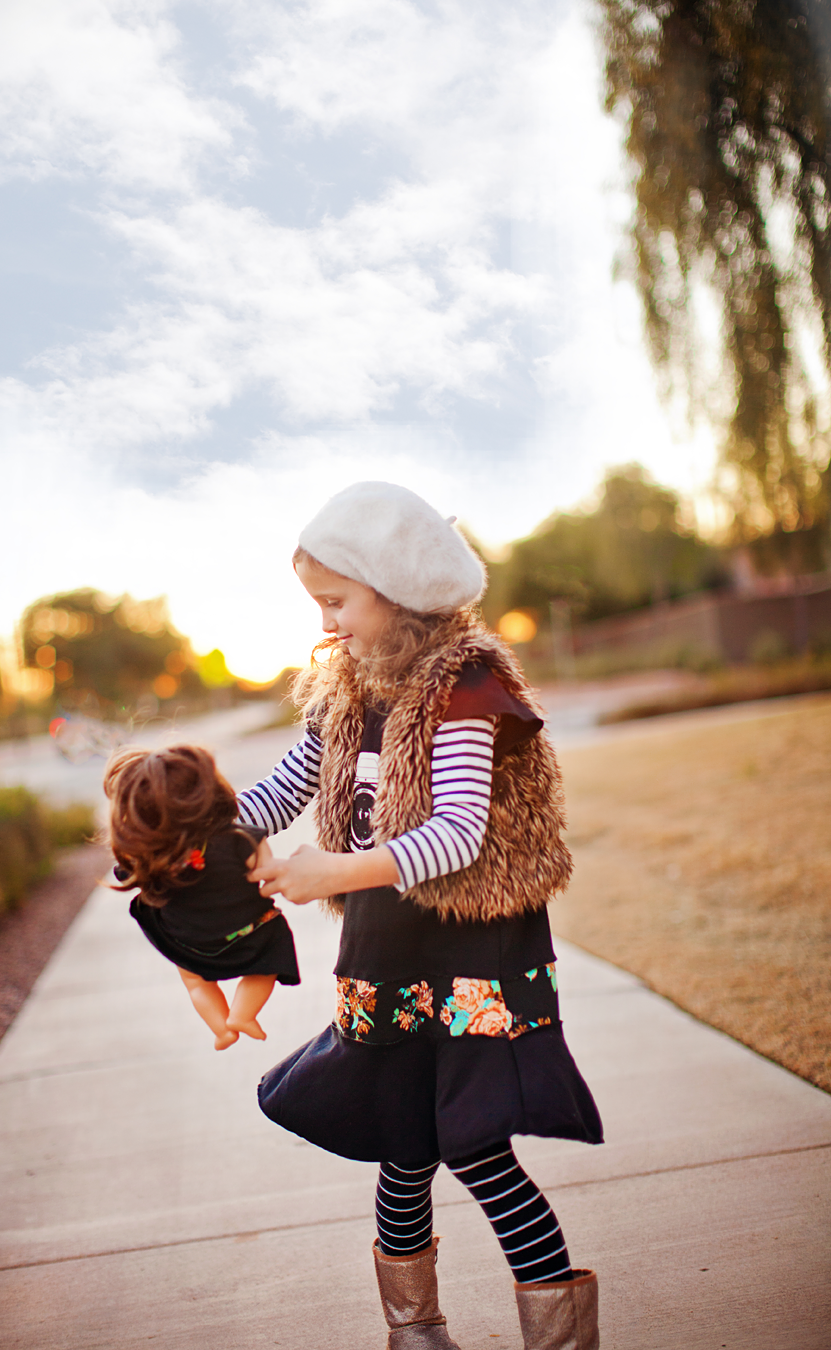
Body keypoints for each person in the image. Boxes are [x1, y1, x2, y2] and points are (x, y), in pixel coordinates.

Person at [234, 482, 602, 1350]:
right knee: (402, 1147)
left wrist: (330, 874)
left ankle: (561, 1340)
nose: (327, 624)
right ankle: (416, 1334)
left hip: (471, 956)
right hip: (386, 954)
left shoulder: (464, 686)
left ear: (394, 589)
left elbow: (459, 837)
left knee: (474, 1145)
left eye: (337, 601)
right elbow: (283, 788)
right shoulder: (345, 689)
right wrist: (196, 843)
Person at [104, 744, 300, 1049]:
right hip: (247, 935)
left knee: (196, 982)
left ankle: (222, 1029)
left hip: (187, 942)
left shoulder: (147, 858)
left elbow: (125, 877)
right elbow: (267, 876)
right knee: (268, 961)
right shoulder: (242, 838)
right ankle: (242, 1014)